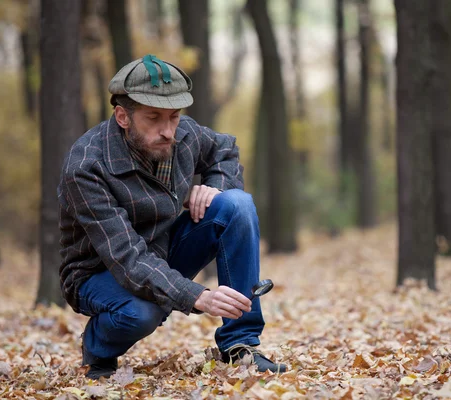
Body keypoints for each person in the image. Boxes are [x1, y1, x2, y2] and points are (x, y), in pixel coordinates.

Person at [58, 54, 287, 379]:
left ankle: (241, 347)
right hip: (98, 273)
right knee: (142, 312)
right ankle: (98, 349)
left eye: (174, 117)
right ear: (123, 116)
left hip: (164, 250)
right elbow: (127, 259)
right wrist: (198, 296)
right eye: (153, 118)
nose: (168, 131)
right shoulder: (87, 167)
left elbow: (225, 150)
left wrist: (214, 186)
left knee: (236, 204)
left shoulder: (182, 134)